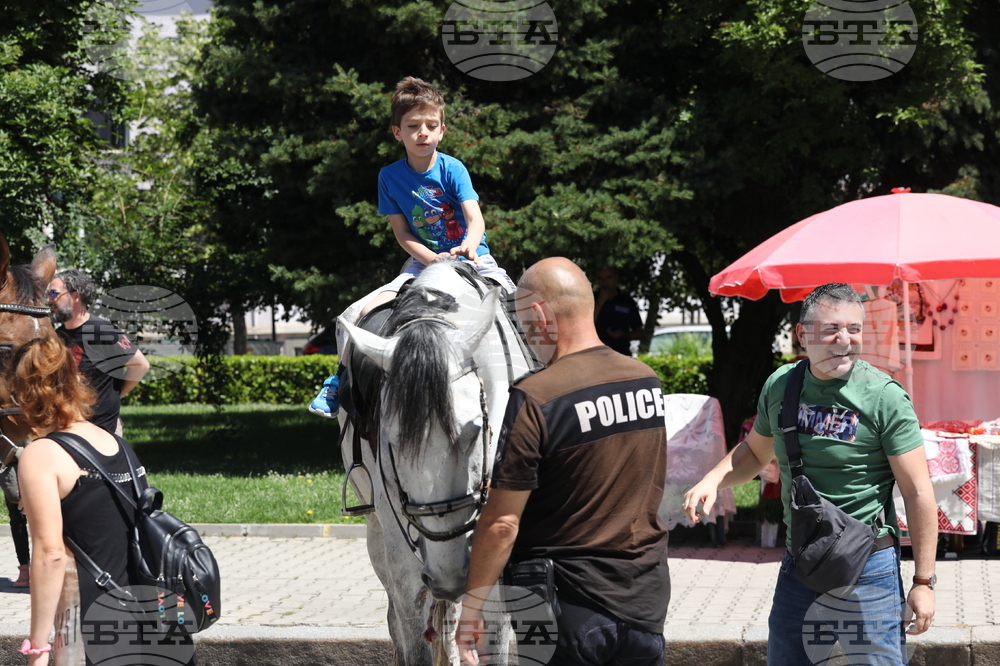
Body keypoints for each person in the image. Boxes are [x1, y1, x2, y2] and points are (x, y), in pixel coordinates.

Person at [683, 283, 937, 665]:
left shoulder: (885, 396)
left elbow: (918, 491)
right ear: (802, 334)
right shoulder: (782, 385)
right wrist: (712, 479)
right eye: (831, 329)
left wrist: (924, 581)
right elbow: (755, 452)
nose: (844, 340)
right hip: (800, 562)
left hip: (868, 566)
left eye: (854, 329)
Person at [456, 257, 671, 666]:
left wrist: (472, 610)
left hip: (558, 607)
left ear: (540, 315)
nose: (525, 335)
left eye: (522, 322)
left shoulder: (537, 395)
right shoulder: (645, 379)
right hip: (645, 599)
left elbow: (502, 524)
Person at [310, 76, 515, 417]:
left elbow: (475, 220)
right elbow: (402, 233)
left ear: (442, 130)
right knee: (363, 311)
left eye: (431, 125)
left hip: (473, 257)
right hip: (425, 262)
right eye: (413, 125)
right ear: (397, 132)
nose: (423, 133)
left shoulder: (453, 169)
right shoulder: (389, 177)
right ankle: (338, 380)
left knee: (515, 304)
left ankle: (534, 378)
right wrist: (433, 259)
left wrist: (468, 247)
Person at [14, 333, 150, 664]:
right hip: (139, 619)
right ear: (76, 379)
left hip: (84, 629)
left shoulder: (42, 455)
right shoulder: (117, 444)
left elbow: (50, 556)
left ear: (25, 392)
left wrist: (37, 648)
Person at [48, 270, 149, 436]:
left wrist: (116, 395)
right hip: (67, 427)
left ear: (75, 296)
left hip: (102, 430)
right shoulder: (57, 335)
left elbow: (140, 365)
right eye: (48, 294)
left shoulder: (102, 331)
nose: (48, 300)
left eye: (54, 294)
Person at [593, 266, 642, 356]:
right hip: (595, 353)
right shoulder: (591, 299)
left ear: (616, 278)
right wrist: (600, 301)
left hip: (620, 353)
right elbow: (585, 325)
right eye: (601, 278)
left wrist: (624, 335)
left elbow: (639, 332)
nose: (604, 282)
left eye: (609, 277)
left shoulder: (627, 301)